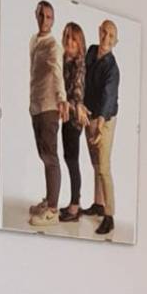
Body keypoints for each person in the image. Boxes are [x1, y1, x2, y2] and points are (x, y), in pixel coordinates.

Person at [82, 19, 121, 238]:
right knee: (95, 163)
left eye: (111, 36)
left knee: (104, 167)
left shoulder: (112, 69)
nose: (106, 38)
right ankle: (98, 204)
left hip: (104, 120)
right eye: (104, 32)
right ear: (99, 31)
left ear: (116, 42)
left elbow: (108, 97)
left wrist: (99, 123)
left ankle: (109, 215)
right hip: (88, 115)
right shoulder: (91, 51)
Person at [26, 0, 63, 225]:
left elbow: (57, 73)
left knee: (51, 158)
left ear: (53, 20)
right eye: (41, 15)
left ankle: (53, 210)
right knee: (43, 155)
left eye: (49, 17)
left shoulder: (53, 46)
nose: (44, 20)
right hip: (36, 106)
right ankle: (49, 199)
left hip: (49, 107)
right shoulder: (34, 40)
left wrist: (62, 100)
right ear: (36, 14)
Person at [57, 21, 87, 221]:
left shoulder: (78, 64)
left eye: (74, 39)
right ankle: (73, 202)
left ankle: (75, 207)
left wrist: (71, 104)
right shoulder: (64, 59)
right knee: (68, 158)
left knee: (72, 160)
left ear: (79, 43)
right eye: (67, 37)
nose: (69, 42)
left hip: (75, 117)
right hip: (66, 115)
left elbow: (77, 90)